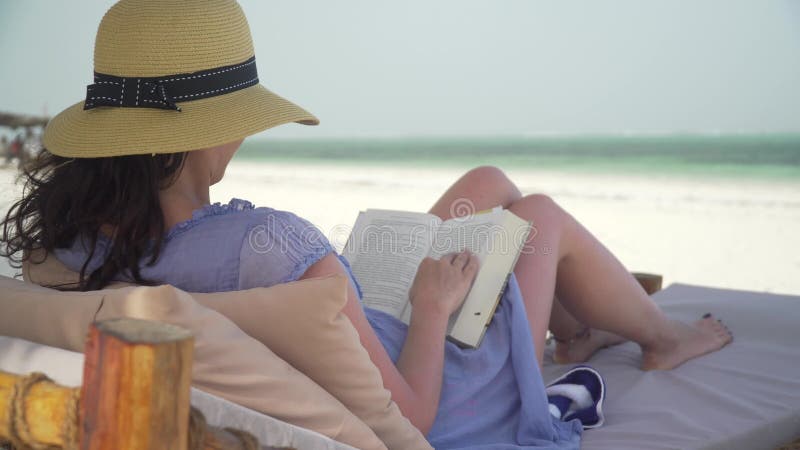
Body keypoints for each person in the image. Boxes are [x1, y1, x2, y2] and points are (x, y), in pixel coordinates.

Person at [0, 1, 731, 448]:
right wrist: (436, 307)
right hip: (444, 391)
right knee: (534, 217)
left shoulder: (70, 248)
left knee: (487, 187)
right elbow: (408, 418)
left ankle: (576, 333)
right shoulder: (271, 242)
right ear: (209, 131)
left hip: (356, 334)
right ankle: (663, 341)